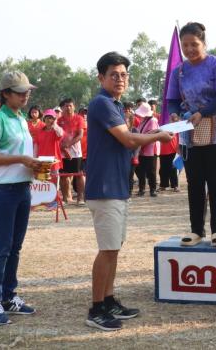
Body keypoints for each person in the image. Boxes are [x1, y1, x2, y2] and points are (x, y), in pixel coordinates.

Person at [84, 51, 172, 330]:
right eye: (113, 75)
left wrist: (150, 135)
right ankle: (96, 309)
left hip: (117, 186)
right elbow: (128, 140)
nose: (120, 79)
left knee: (114, 248)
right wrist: (158, 135)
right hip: (105, 187)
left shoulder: (115, 104)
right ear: (101, 78)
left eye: (123, 74)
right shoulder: (102, 103)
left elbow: (127, 141)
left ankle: (109, 300)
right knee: (107, 249)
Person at [0, 71, 42, 325]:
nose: (26, 95)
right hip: (2, 190)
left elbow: (19, 155)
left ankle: (8, 295)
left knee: (14, 247)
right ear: (5, 93)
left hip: (22, 188)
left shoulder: (21, 118)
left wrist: (34, 165)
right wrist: (22, 159)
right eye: (20, 91)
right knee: (2, 248)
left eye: (27, 91)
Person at [167, 22, 216, 247]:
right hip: (189, 130)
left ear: (203, 43)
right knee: (194, 181)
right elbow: (172, 100)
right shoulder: (179, 71)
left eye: (194, 44)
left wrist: (203, 112)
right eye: (185, 45)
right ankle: (196, 230)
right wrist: (174, 114)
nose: (189, 49)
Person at [57, 98, 85, 205]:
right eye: (66, 106)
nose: (68, 108)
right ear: (62, 108)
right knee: (63, 175)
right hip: (62, 153)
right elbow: (57, 136)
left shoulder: (79, 118)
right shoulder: (59, 121)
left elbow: (80, 135)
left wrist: (68, 144)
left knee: (79, 174)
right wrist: (63, 148)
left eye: (70, 106)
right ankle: (65, 199)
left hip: (76, 153)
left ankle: (80, 198)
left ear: (74, 107)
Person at [134, 102, 159, 197]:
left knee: (151, 171)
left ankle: (153, 189)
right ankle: (141, 189)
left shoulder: (153, 120)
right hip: (141, 149)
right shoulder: (143, 120)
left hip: (150, 150)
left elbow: (151, 135)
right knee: (141, 170)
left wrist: (140, 142)